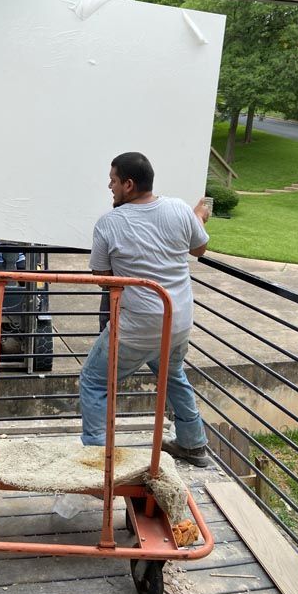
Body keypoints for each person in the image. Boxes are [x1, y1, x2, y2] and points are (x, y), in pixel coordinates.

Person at [79, 152, 211, 467]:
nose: (109, 186)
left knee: (94, 380)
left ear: (129, 184)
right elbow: (199, 248)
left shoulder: (109, 223)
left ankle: (98, 460)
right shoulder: (179, 209)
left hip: (135, 328)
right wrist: (198, 219)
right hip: (177, 322)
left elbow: (102, 279)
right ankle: (193, 444)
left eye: (113, 180)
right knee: (171, 370)